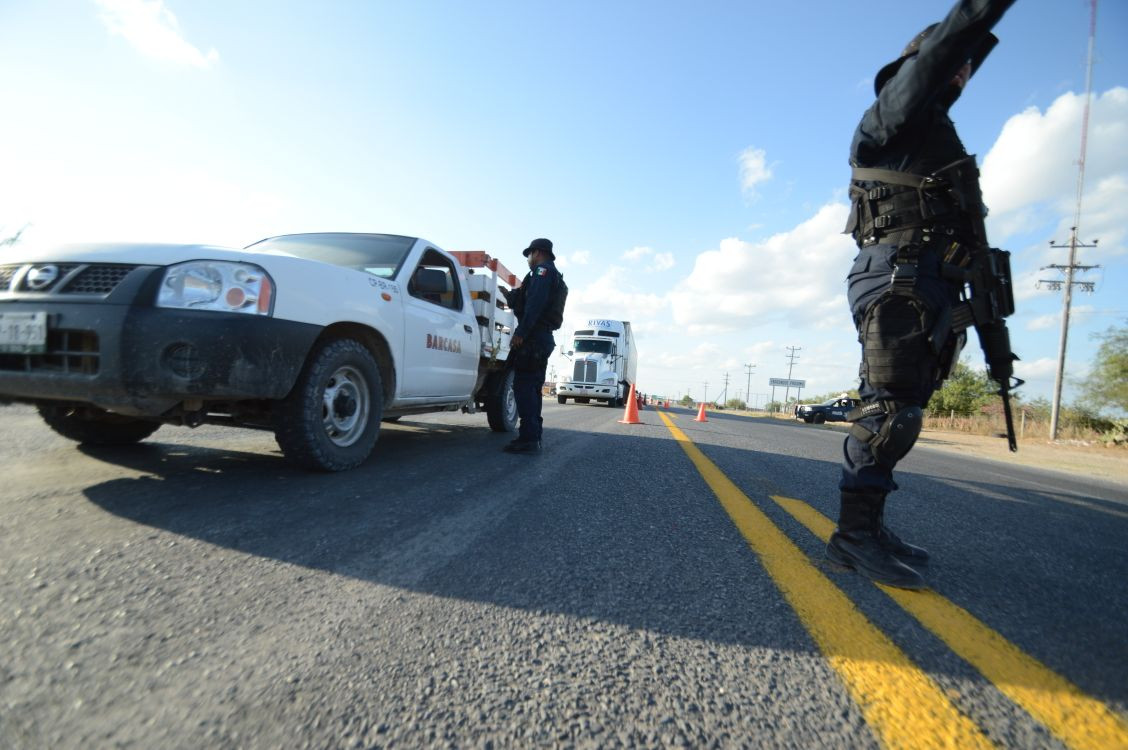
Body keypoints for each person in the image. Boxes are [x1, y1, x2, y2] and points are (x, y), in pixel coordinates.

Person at [829, 0, 1016, 589]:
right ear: (922, 61)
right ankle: (851, 537)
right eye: (955, 61)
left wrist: (996, 342)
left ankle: (870, 524)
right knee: (888, 410)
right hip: (898, 276)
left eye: (967, 67)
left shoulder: (939, 139)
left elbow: (978, 251)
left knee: (905, 408)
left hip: (932, 281)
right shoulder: (892, 116)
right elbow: (947, 47)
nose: (962, 71)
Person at [503, 238, 565, 454]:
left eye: (529, 254)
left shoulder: (542, 272)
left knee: (524, 388)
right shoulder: (551, 275)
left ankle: (529, 439)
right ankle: (532, 436)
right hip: (541, 338)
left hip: (533, 339)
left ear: (537, 252)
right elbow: (527, 300)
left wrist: (521, 333)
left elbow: (535, 304)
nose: (528, 259)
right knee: (532, 389)